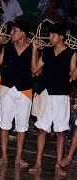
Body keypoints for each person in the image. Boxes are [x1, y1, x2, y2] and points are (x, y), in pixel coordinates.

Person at [29, 23, 77, 176]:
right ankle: (38, 163)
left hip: (61, 97)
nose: (50, 37)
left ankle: (58, 165)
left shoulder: (71, 53)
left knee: (60, 133)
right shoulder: (47, 52)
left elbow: (74, 76)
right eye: (50, 34)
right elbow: (35, 70)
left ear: (61, 37)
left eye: (53, 35)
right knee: (42, 130)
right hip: (46, 95)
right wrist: (35, 50)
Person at [0, 20, 33, 167]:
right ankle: (4, 156)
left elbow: (36, 70)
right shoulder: (8, 47)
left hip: (25, 90)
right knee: (4, 123)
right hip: (7, 88)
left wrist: (35, 51)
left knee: (22, 125)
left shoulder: (33, 48)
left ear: (23, 33)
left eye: (14, 30)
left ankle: (18, 157)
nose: (10, 33)